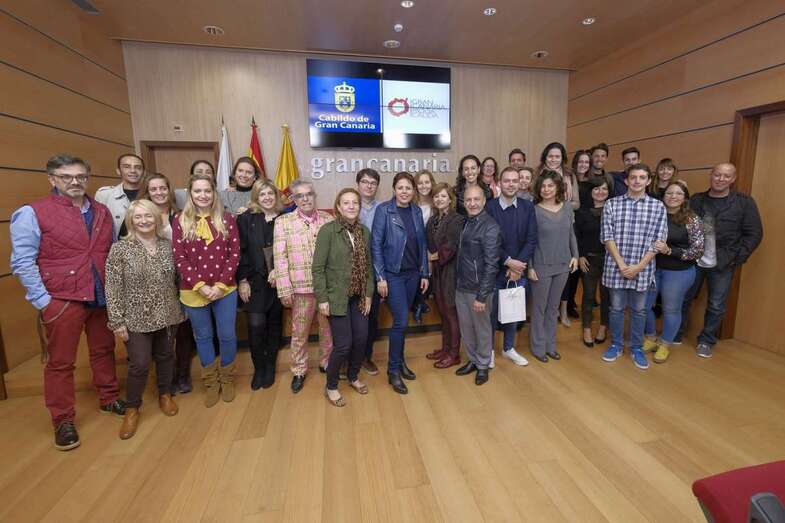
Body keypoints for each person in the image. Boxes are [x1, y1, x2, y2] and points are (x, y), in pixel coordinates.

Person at [10, 154, 125, 451]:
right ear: (52, 179)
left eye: (80, 177)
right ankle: (63, 420)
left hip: (100, 294)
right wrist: (43, 301)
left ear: (87, 178)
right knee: (61, 363)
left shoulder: (100, 210)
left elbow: (109, 252)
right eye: (66, 177)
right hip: (62, 300)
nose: (75, 182)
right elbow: (22, 262)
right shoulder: (32, 212)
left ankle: (109, 398)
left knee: (103, 350)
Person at [105, 200, 184, 439]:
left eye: (148, 216)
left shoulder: (166, 246)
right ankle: (132, 408)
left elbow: (178, 280)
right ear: (131, 220)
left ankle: (165, 394)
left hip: (168, 314)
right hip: (136, 318)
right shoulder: (120, 249)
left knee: (166, 356)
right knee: (139, 363)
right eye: (138, 217)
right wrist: (117, 321)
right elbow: (113, 287)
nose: (144, 221)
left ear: (156, 218)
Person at [678, 163, 763, 358]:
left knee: (716, 304)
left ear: (732, 179)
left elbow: (754, 233)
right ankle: (677, 332)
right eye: (717, 175)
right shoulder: (697, 200)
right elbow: (683, 227)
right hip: (694, 260)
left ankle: (706, 340)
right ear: (711, 176)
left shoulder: (744, 203)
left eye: (726, 176)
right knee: (684, 298)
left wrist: (736, 258)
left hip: (724, 263)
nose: (720, 179)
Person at [172, 173, 240, 406]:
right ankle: (211, 381)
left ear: (214, 193)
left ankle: (227, 377)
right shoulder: (180, 220)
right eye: (198, 191)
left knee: (227, 335)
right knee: (203, 337)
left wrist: (220, 286)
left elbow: (234, 255)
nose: (203, 195)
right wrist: (201, 286)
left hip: (225, 289)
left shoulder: (228, 219)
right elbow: (179, 258)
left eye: (207, 191)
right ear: (190, 194)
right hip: (193, 291)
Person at [600, 163, 667, 370]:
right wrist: (621, 264)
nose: (637, 181)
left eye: (642, 177)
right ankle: (617, 345)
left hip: (643, 268)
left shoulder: (658, 207)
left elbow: (658, 241)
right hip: (615, 267)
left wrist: (638, 266)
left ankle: (636, 347)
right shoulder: (612, 204)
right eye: (633, 177)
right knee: (616, 308)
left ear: (648, 181)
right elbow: (606, 236)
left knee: (639, 310)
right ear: (627, 180)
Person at [313, 188, 374, 407]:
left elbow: (368, 267)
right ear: (338, 206)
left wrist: (368, 295)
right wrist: (322, 298)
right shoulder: (328, 231)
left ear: (359, 207)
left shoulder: (364, 232)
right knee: (343, 345)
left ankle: (353, 376)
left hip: (358, 297)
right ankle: (330, 385)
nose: (351, 206)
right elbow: (318, 268)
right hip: (336, 297)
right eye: (346, 203)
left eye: (355, 203)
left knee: (361, 339)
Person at [274, 180, 334, 393]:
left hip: (326, 287)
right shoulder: (283, 222)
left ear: (314, 196)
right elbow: (279, 258)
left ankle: (326, 362)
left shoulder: (329, 219)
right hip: (300, 289)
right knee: (299, 332)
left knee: (328, 330)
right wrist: (284, 288)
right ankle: (299, 370)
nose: (306, 198)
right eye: (300, 195)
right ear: (293, 199)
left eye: (309, 194)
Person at [372, 172, 429, 394]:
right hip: (392, 274)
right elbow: (376, 244)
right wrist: (380, 277)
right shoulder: (384, 210)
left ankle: (401, 361)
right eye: (400, 187)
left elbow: (422, 244)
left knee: (402, 323)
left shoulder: (416, 210)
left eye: (408, 188)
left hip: (413, 274)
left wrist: (425, 274)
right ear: (394, 189)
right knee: (401, 321)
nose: (404, 191)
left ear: (413, 191)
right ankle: (393, 370)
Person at [641, 180, 704, 363]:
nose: (673, 197)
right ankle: (651, 337)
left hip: (678, 272)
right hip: (652, 268)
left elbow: (698, 250)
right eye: (669, 193)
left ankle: (665, 344)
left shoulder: (692, 219)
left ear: (685, 198)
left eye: (678, 193)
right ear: (663, 196)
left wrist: (670, 251)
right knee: (644, 306)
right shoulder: (655, 215)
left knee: (671, 309)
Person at [485, 166, 538, 367]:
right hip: (493, 269)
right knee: (490, 314)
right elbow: (488, 241)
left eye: (514, 181)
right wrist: (507, 261)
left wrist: (517, 268)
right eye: (506, 181)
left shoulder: (527, 207)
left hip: (518, 271)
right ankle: (488, 351)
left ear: (520, 183)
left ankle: (508, 348)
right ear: (499, 183)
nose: (511, 184)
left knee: (512, 313)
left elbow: (531, 240)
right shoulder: (489, 207)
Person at [528, 171, 579, 363]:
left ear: (557, 187)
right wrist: (530, 266)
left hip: (563, 264)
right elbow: (530, 240)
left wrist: (575, 255)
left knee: (553, 308)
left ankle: (551, 346)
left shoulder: (567, 207)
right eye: (543, 186)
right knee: (539, 309)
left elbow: (571, 234)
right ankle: (538, 347)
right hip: (541, 266)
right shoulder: (533, 210)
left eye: (550, 185)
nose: (546, 189)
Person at [237, 180, 284, 390]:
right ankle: (259, 368)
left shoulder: (284, 219)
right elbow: (240, 252)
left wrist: (279, 270)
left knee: (274, 326)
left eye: (270, 194)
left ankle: (270, 367)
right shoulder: (246, 219)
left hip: (279, 282)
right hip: (254, 282)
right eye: (262, 194)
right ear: (256, 197)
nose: (267, 197)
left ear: (276, 196)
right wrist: (242, 280)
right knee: (256, 327)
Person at [454, 185, 502, 385]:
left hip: (479, 290)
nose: (472, 203)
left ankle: (483, 365)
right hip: (461, 287)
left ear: (483, 201)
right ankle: (473, 360)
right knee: (467, 329)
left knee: (482, 330)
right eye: (468, 200)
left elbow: (492, 265)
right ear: (464, 202)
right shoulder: (467, 222)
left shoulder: (490, 226)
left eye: (476, 199)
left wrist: (482, 296)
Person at [425, 183, 465, 368]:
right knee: (442, 311)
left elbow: (451, 247)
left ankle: (454, 354)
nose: (439, 199)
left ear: (450, 198)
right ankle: (445, 348)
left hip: (451, 271)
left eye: (443, 196)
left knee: (451, 313)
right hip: (437, 272)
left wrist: (430, 257)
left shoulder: (456, 219)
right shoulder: (433, 220)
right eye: (436, 196)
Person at [574, 177, 611, 347]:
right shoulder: (582, 212)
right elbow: (577, 237)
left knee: (606, 296)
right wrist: (580, 256)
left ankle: (603, 327)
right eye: (596, 189)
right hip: (588, 259)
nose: (600, 192)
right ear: (590, 192)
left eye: (604, 189)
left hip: (610, 260)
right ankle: (587, 328)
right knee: (588, 296)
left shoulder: (613, 210)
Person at [357, 168, 382, 376]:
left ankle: (366, 356)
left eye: (373, 183)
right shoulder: (349, 204)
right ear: (358, 184)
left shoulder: (382, 209)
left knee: (371, 316)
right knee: (351, 316)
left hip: (374, 268)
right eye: (365, 182)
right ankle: (350, 358)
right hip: (351, 269)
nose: (369, 186)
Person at [95, 153, 145, 240]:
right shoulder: (105, 195)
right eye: (127, 167)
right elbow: (97, 226)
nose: (133, 170)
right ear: (118, 171)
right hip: (117, 248)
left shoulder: (151, 194)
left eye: (138, 167)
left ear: (143, 172)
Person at [412, 169, 436, 323]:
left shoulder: (437, 201)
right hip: (413, 246)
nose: (423, 186)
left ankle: (421, 301)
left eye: (427, 182)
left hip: (432, 246)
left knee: (429, 270)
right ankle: (417, 303)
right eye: (420, 183)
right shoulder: (411, 203)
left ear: (432, 183)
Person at [535, 142, 580, 210]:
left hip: (565, 216)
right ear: (545, 157)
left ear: (562, 158)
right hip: (540, 215)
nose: (553, 160)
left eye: (557, 157)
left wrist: (557, 207)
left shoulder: (570, 175)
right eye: (550, 156)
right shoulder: (536, 174)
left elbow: (576, 204)